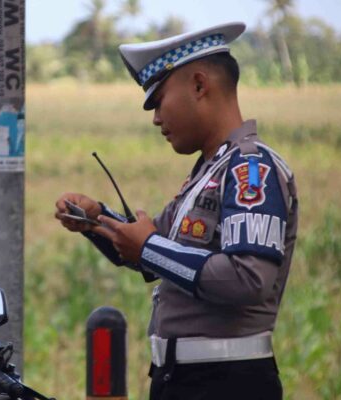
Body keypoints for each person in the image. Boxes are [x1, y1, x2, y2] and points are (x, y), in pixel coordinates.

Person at [55, 22, 298, 400]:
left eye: (159, 100)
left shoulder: (251, 169)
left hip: (228, 384)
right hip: (182, 381)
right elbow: (156, 255)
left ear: (200, 86)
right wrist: (94, 219)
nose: (154, 118)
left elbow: (248, 277)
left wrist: (149, 247)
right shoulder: (209, 172)